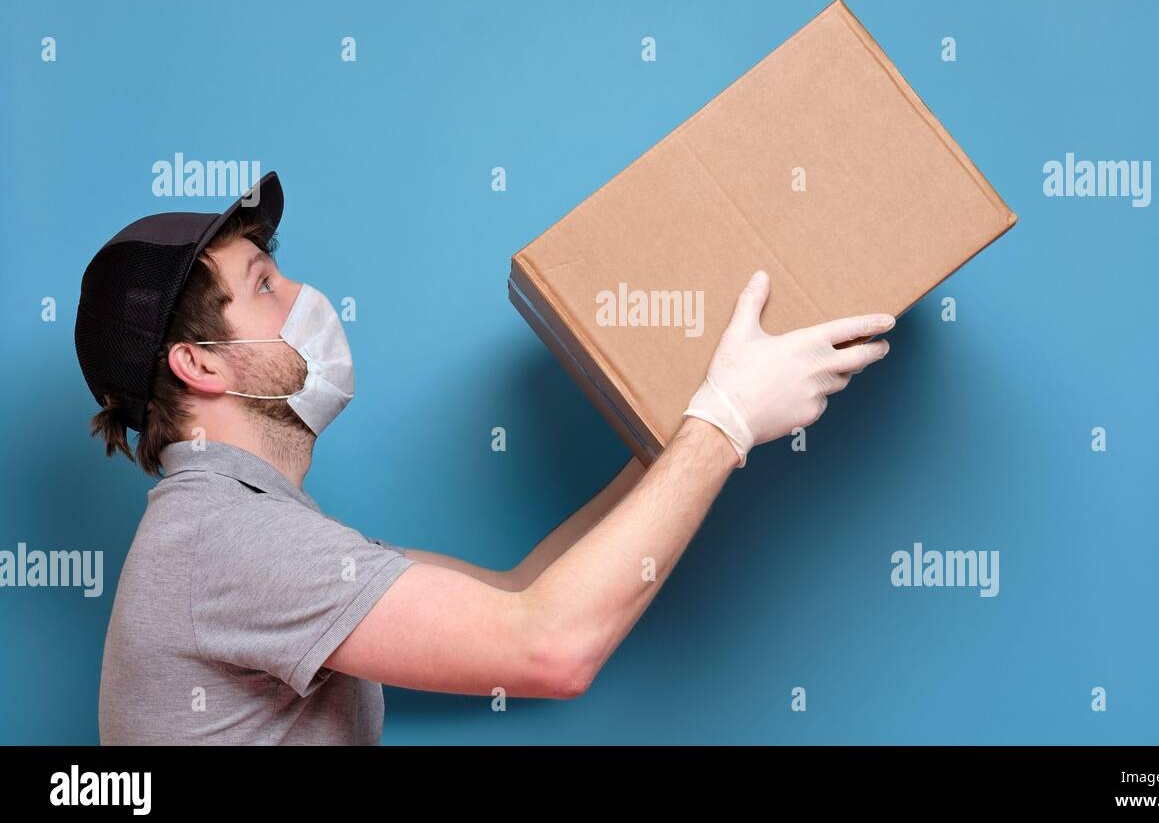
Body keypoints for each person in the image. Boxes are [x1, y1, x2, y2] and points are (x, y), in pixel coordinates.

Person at [77, 171, 893, 744]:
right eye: (264, 285)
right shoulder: (228, 541)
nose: (302, 296)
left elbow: (516, 593)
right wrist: (726, 422)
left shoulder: (242, 526)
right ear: (201, 364)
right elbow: (547, 646)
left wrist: (681, 429)